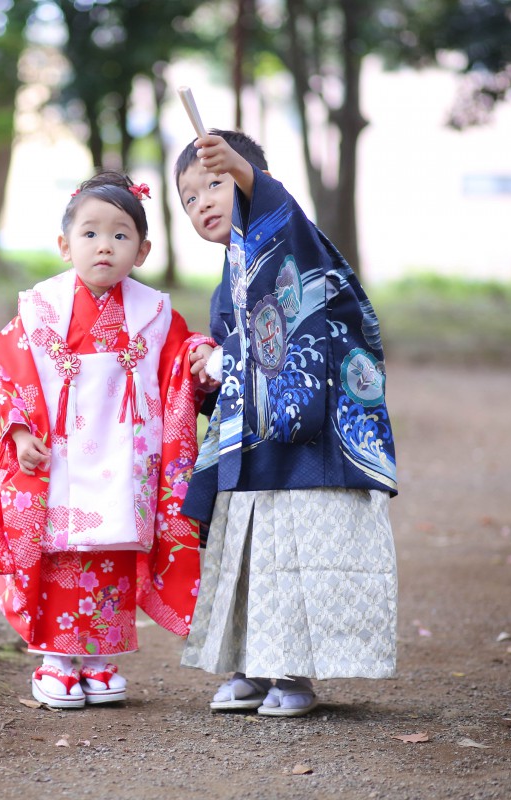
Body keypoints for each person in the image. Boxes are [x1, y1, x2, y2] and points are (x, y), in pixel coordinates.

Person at [0, 170, 217, 709]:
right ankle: (55, 659)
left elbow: (177, 366)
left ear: (141, 251)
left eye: (120, 236)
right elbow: (1, 373)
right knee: (60, 552)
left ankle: (99, 659)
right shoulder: (40, 310)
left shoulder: (156, 314)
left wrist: (199, 353)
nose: (104, 246)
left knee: (113, 550)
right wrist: (19, 431)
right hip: (61, 456)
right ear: (64, 244)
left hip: (126, 459)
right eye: (90, 233)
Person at [173, 129, 399, 717]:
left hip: (305, 436)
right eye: (190, 199)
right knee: (248, 551)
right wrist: (212, 363)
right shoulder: (232, 269)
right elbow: (237, 343)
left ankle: (294, 674)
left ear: (252, 181)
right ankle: (250, 668)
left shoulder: (290, 235)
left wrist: (245, 173)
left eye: (216, 183)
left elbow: (284, 318)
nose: (203, 204)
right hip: (251, 443)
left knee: (295, 552)